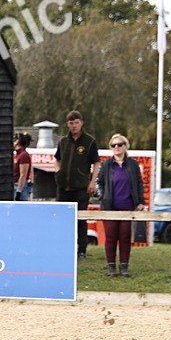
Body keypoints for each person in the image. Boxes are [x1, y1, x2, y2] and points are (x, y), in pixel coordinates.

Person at [97, 134, 146, 278]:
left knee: (125, 236)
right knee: (110, 237)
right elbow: (99, 183)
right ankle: (111, 266)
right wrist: (102, 196)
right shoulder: (106, 165)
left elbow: (139, 183)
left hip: (127, 206)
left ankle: (124, 266)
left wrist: (140, 202)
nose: (116, 147)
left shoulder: (133, 164)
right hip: (109, 207)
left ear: (125, 146)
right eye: (113, 145)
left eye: (119, 144)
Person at [53, 110, 100, 260]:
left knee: (80, 219)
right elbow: (57, 158)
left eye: (76, 122)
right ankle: (63, 247)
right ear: (68, 124)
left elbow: (96, 162)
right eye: (71, 123)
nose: (74, 125)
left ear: (81, 123)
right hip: (63, 187)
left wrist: (92, 181)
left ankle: (82, 250)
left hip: (81, 187)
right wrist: (58, 172)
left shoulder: (89, 141)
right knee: (63, 219)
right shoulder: (63, 141)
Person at [13, 132, 33, 201]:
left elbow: (23, 175)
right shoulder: (17, 155)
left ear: (17, 142)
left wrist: (19, 191)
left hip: (20, 186)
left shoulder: (23, 155)